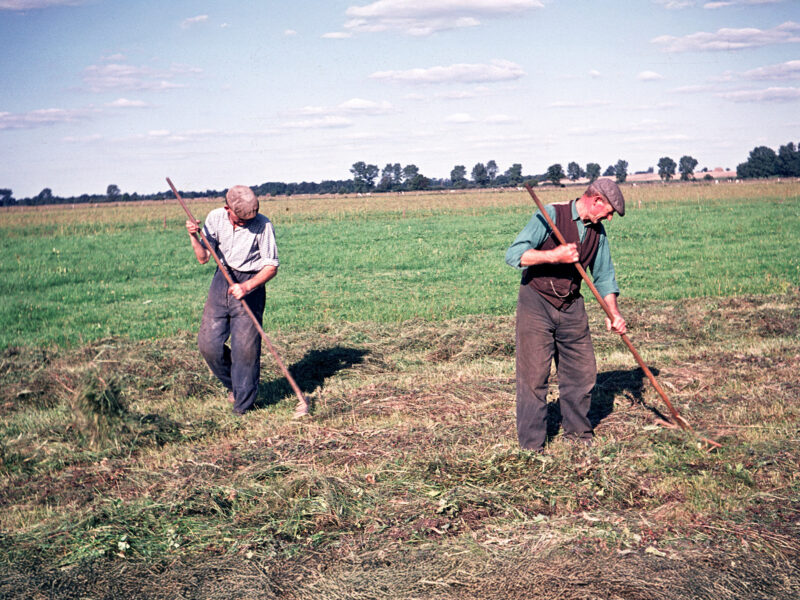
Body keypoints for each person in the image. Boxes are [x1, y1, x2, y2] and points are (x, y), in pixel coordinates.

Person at [504, 179, 627, 451]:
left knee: (582, 374)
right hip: (536, 302)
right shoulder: (550, 214)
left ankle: (578, 437)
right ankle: (532, 446)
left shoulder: (598, 232)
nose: (608, 218)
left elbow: (604, 276)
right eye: (607, 211)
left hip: (572, 304)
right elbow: (514, 255)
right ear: (596, 200)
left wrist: (613, 312)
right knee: (534, 378)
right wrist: (554, 255)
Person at [185, 185, 279, 415]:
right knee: (209, 345)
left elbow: (271, 266)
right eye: (239, 219)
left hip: (251, 284)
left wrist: (246, 287)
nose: (244, 223)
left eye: (249, 219)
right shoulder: (215, 218)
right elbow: (203, 258)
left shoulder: (263, 225)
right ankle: (235, 386)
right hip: (222, 281)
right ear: (227, 208)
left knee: (245, 350)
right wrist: (193, 236)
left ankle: (242, 407)